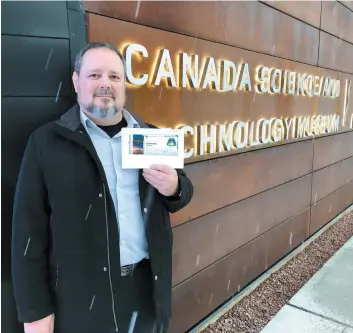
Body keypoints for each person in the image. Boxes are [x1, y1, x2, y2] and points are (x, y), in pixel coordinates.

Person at [11, 41, 194, 333]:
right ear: (76, 81)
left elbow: (182, 192)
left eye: (114, 76)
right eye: (94, 75)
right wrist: (35, 311)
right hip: (79, 300)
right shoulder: (47, 143)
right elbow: (27, 234)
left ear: (124, 84)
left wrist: (174, 187)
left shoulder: (151, 137)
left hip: (145, 291)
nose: (105, 84)